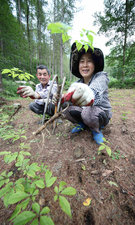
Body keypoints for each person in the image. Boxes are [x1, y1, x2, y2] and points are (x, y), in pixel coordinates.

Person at [61, 42, 112, 145]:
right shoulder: (77, 83)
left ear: (94, 65)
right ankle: (83, 123)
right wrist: (61, 99)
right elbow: (68, 99)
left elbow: (95, 91)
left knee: (88, 112)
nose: (85, 65)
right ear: (78, 65)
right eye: (82, 61)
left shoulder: (101, 77)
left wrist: (89, 93)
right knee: (65, 108)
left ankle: (96, 130)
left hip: (100, 114)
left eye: (89, 61)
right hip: (86, 114)